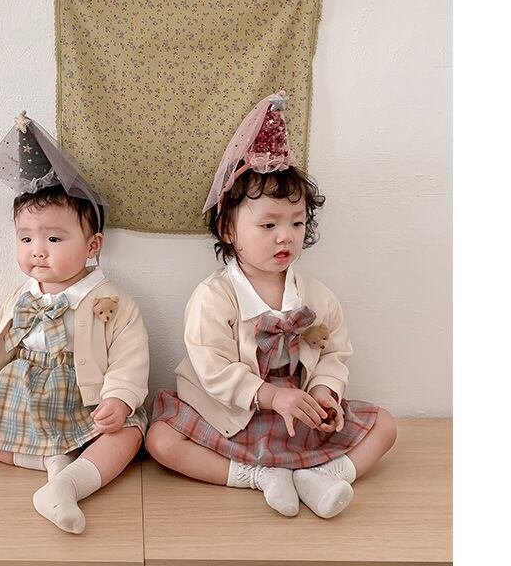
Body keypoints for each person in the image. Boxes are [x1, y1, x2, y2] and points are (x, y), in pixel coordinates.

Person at [145, 91, 397, 518]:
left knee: (386, 426)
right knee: (161, 441)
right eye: (268, 225)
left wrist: (324, 393)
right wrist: (268, 396)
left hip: (298, 411)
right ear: (228, 230)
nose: (286, 236)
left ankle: (323, 476)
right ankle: (256, 476)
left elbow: (334, 354)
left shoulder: (316, 296)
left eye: (297, 223)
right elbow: (212, 369)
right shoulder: (214, 297)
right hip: (236, 410)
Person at [0, 112, 148, 534]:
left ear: (93, 245)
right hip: (24, 397)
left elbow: (130, 358)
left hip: (85, 400)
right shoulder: (22, 295)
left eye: (53, 238)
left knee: (131, 435)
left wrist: (120, 399)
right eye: (26, 238)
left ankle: (67, 486)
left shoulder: (111, 301)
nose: (37, 250)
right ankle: (53, 464)